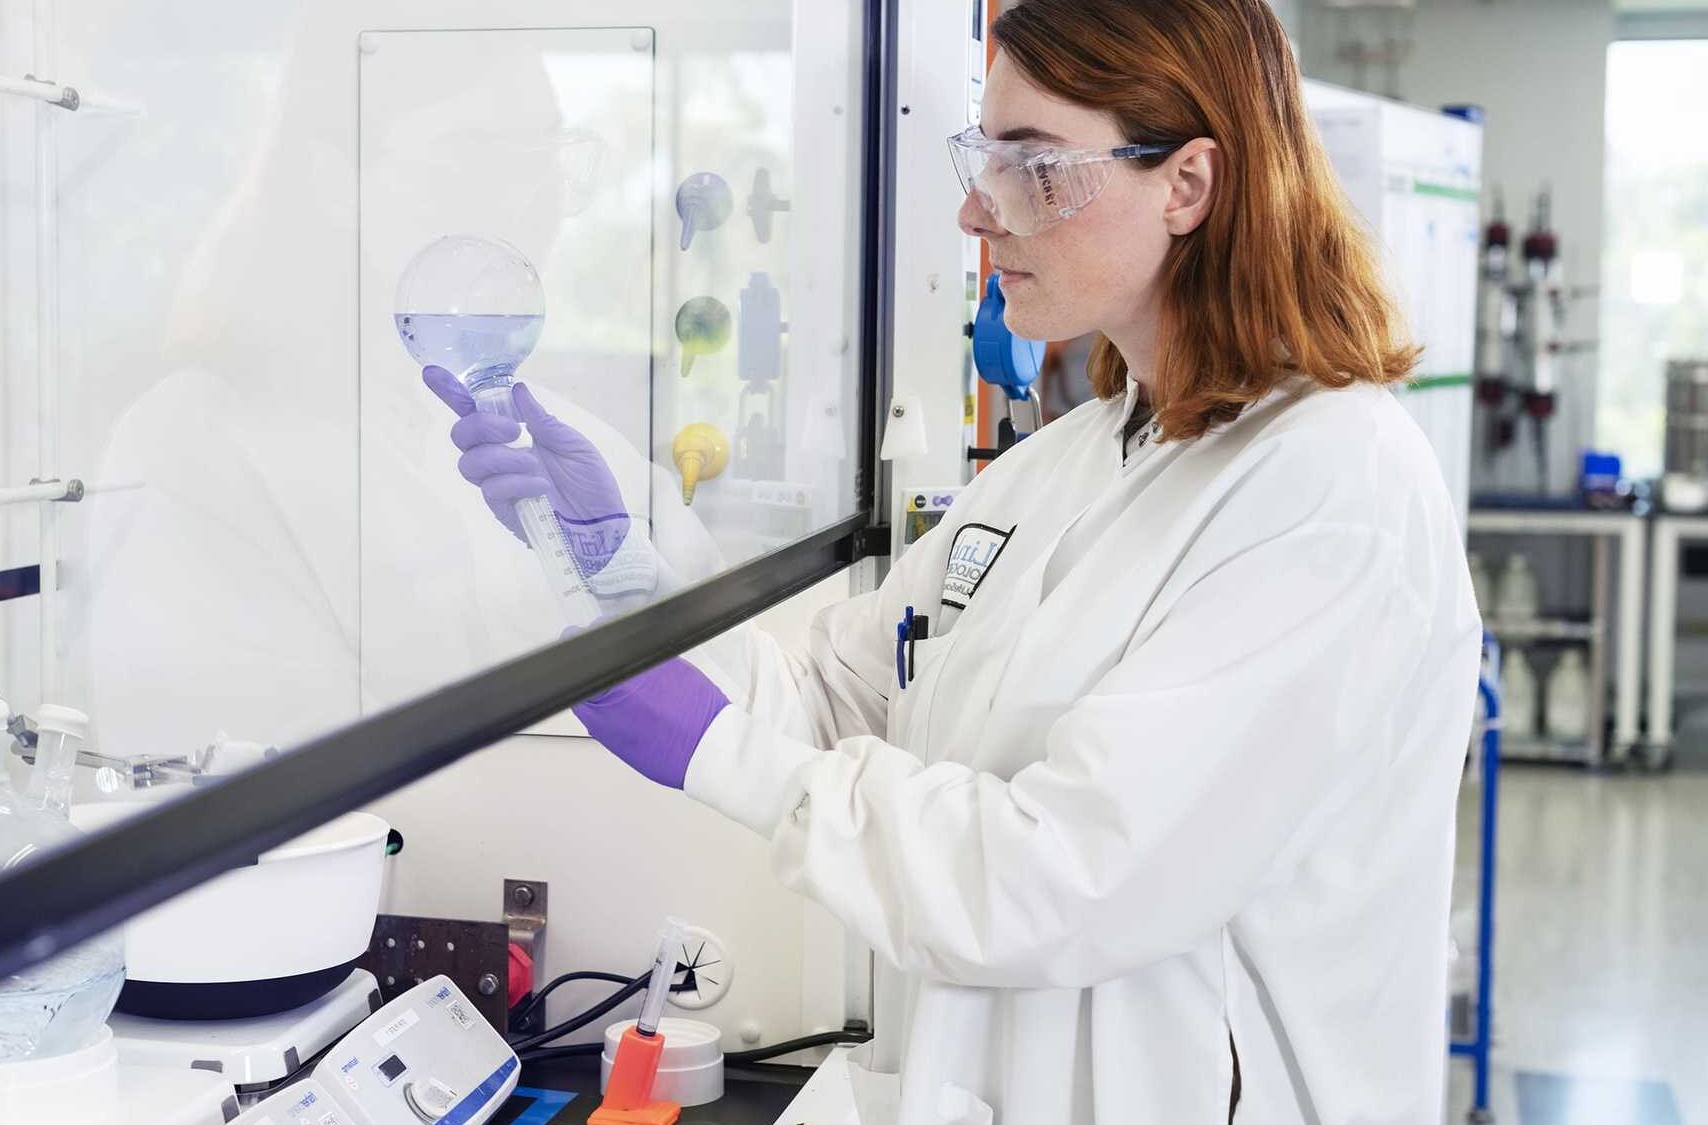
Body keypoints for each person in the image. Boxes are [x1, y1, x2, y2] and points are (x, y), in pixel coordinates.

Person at [435, 1, 1480, 1121]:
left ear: (1185, 184)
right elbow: (834, 693)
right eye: (980, 158)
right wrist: (619, 569)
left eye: (1031, 167)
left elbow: (1066, 877)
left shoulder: (1329, 489)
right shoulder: (1068, 464)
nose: (974, 211)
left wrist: (720, 755)